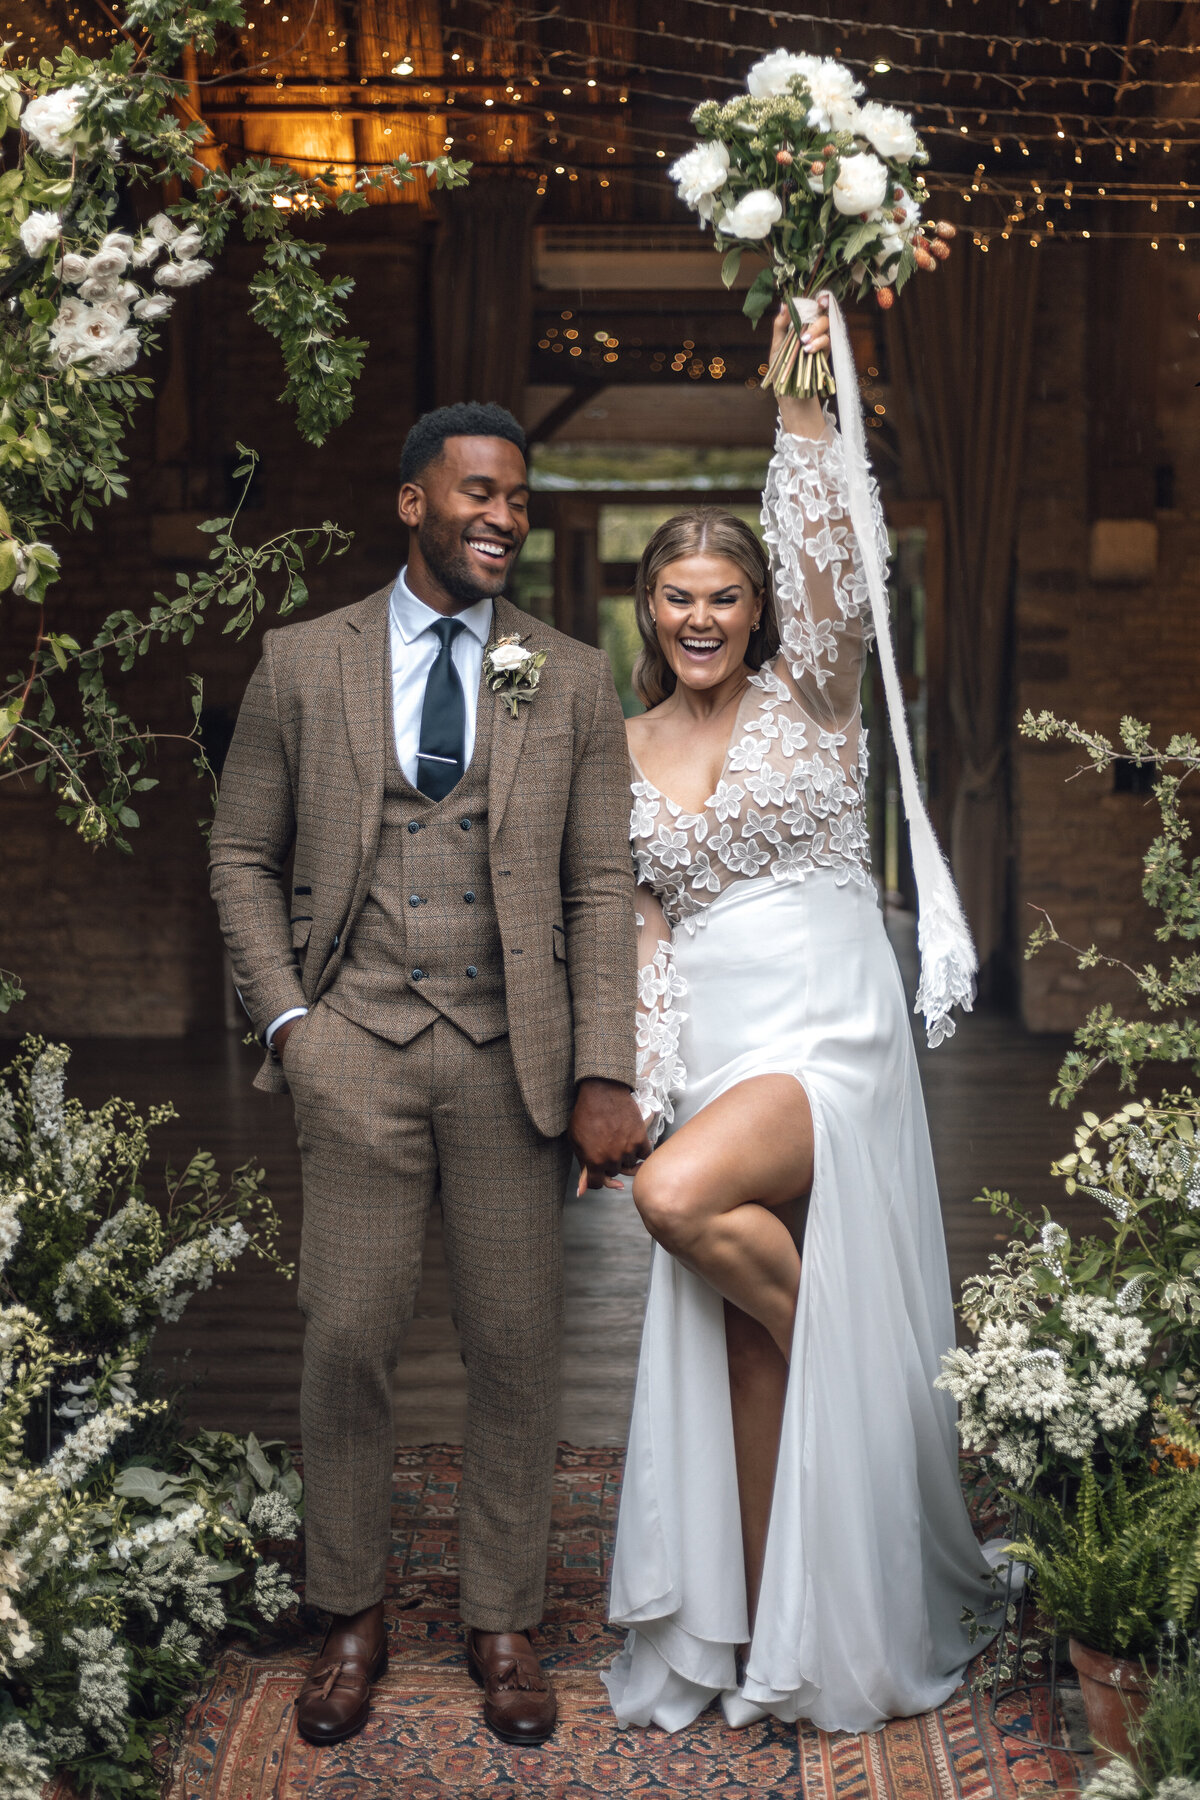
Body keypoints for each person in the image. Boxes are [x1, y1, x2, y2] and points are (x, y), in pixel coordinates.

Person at [209, 401, 649, 1748]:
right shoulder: (302, 663)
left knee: (514, 1349)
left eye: (518, 496)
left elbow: (596, 882)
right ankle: (348, 1611)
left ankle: (501, 1617)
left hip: (513, 1061)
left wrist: (602, 1068)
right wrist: (292, 1027)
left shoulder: (570, 676)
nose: (504, 516)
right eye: (477, 493)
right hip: (355, 1049)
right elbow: (240, 854)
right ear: (413, 504)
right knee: (347, 1343)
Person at [601, 304, 999, 1736]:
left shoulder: (815, 696)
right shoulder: (626, 747)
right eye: (677, 598)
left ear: (758, 608)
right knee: (742, 1347)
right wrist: (638, 1088)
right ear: (647, 613)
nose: (701, 618)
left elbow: (836, 557)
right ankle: (781, 1627)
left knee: (678, 1202)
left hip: (827, 1024)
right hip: (713, 1035)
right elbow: (643, 934)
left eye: (725, 596)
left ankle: (868, 1381)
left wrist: (806, 410)